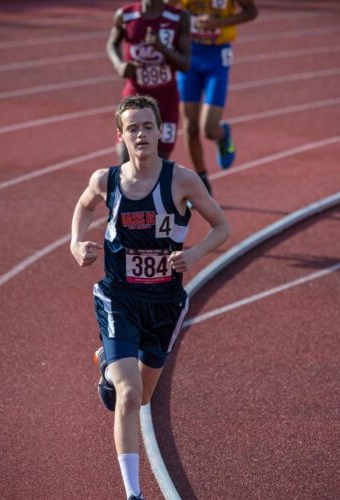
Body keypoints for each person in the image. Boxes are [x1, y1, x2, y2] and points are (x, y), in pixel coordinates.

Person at [70, 95, 230, 500]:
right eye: (132, 128)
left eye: (147, 126)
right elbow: (83, 206)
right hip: (118, 297)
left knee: (143, 395)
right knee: (128, 394)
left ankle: (107, 363)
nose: (140, 134)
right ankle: (133, 494)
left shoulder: (182, 181)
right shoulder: (106, 180)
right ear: (120, 136)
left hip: (165, 304)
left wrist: (194, 254)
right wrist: (76, 243)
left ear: (161, 131)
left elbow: (221, 227)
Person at [167, 0, 258, 194]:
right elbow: (164, 6)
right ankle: (201, 181)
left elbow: (251, 11)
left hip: (217, 56)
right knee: (190, 127)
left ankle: (223, 134)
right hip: (189, 53)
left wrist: (220, 23)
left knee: (208, 128)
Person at [106, 0, 191, 164]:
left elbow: (185, 64)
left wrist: (162, 48)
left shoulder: (178, 18)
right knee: (125, 158)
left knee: (159, 161)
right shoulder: (125, 15)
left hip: (165, 101)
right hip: (134, 96)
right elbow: (112, 43)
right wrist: (119, 65)